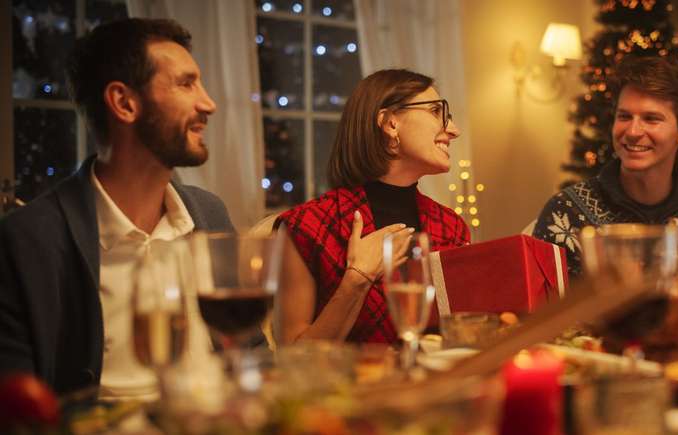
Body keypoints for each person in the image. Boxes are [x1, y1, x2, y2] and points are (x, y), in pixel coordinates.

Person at [0, 18, 233, 397]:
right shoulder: (28, 241)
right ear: (124, 103)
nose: (208, 103)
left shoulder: (209, 214)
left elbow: (246, 350)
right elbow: (18, 407)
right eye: (186, 84)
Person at [274, 69, 470, 345]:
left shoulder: (452, 227)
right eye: (436, 111)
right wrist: (357, 279)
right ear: (390, 123)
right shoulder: (306, 228)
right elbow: (293, 357)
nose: (453, 130)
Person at [533, 55, 678, 277]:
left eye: (651, 118)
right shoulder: (566, 213)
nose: (633, 132)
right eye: (624, 116)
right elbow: (543, 299)